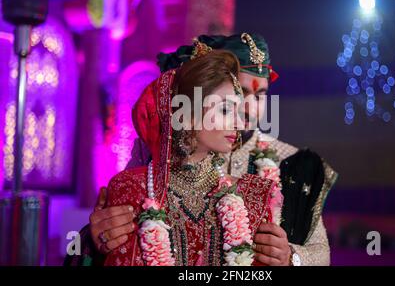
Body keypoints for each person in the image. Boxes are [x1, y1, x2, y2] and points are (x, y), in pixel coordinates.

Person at [65, 33, 337, 266]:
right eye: (239, 94)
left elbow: (321, 252)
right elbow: (118, 232)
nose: (249, 108)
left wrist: (291, 257)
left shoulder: (294, 163)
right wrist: (97, 236)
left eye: (260, 95)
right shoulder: (155, 152)